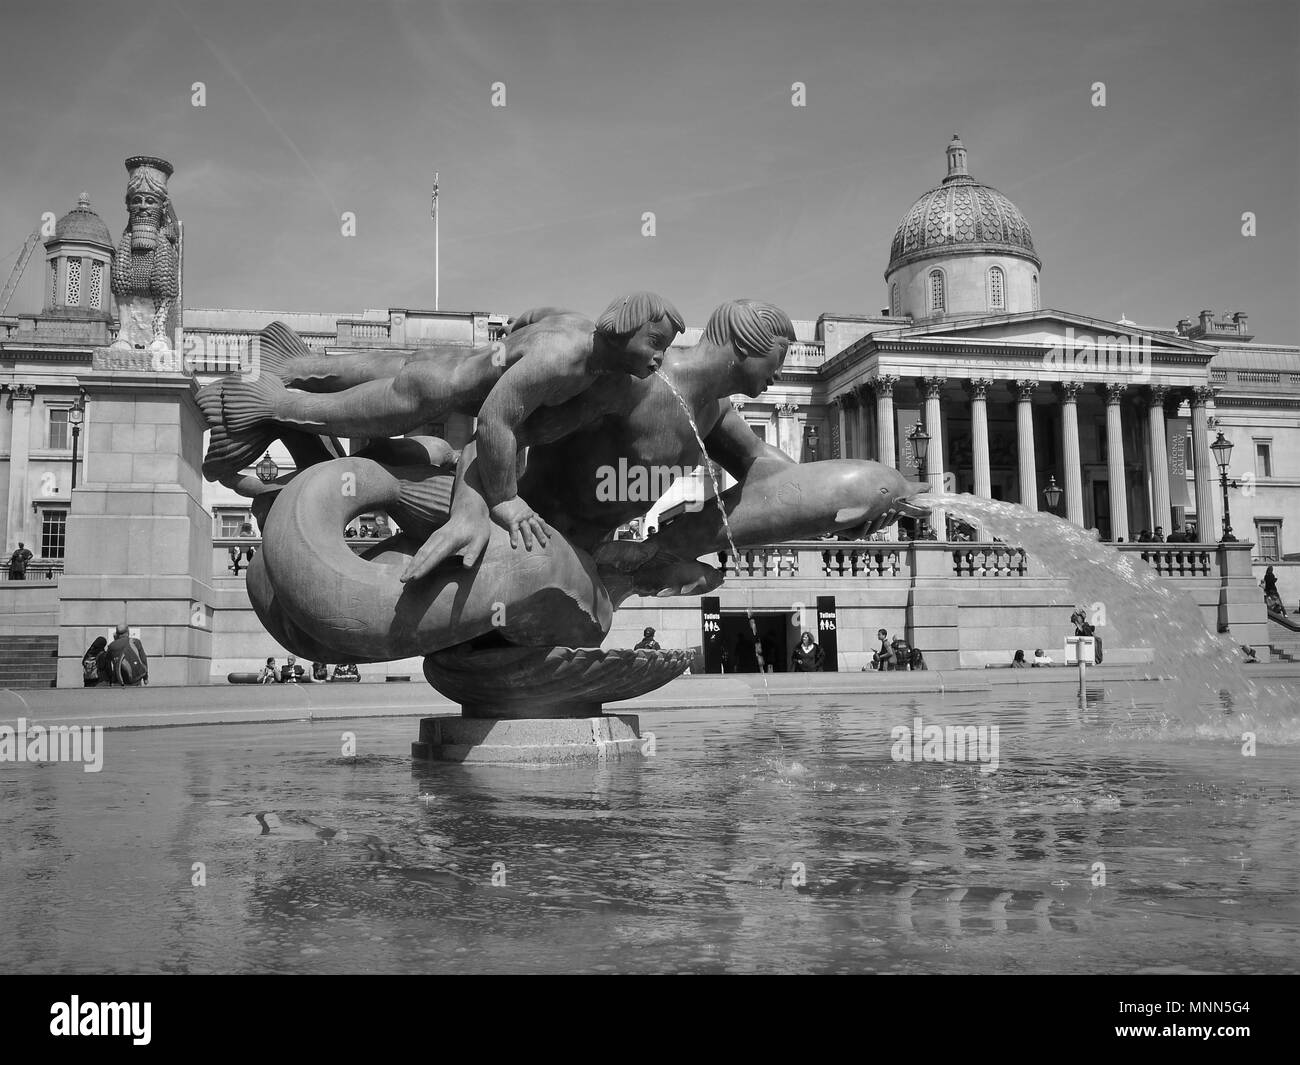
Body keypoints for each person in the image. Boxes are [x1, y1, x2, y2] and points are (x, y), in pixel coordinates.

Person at [200, 292, 686, 548]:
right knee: (316, 411)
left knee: (317, 371)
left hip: (443, 363)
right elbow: (495, 420)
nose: (659, 359)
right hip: (429, 397)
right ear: (624, 330)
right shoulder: (563, 359)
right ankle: (259, 405)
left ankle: (281, 367)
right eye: (655, 344)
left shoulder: (578, 330)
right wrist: (506, 502)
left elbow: (530, 315)